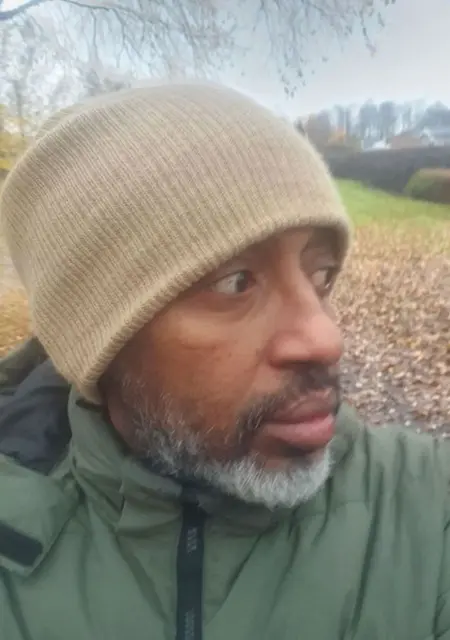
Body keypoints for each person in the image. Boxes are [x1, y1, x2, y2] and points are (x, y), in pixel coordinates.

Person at [0, 82, 448, 640]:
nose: (325, 338)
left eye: (321, 275)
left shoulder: (427, 507)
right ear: (100, 342)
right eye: (235, 282)